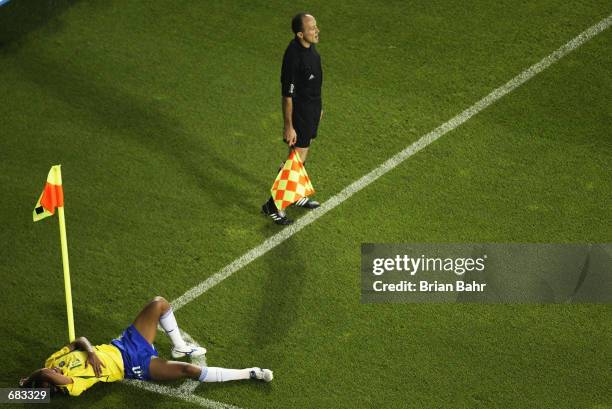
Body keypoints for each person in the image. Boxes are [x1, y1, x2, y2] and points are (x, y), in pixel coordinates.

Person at [19, 296, 273, 396]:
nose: (55, 373)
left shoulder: (52, 363)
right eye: (53, 379)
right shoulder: (74, 385)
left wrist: (92, 351)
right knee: (189, 371)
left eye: (51, 374)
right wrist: (27, 386)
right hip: (135, 364)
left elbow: (78, 341)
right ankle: (250, 372)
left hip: (125, 343)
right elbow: (42, 377)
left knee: (159, 303)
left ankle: (179, 346)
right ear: (54, 385)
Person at [262, 12, 323, 225]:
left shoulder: (309, 48)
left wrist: (318, 108)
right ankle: (273, 204)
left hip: (312, 109)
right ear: (299, 34)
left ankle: (295, 195)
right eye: (311, 28)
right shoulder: (293, 57)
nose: (316, 31)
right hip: (300, 113)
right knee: (296, 159)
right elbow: (287, 96)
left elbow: (313, 82)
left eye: (315, 26)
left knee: (299, 157)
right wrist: (289, 126)